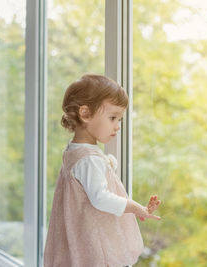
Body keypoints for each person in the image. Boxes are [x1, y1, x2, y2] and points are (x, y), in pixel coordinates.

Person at [43, 74, 162, 267]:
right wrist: (135, 207)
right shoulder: (90, 159)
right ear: (85, 114)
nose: (118, 126)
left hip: (78, 234)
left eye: (120, 119)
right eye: (113, 117)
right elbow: (100, 198)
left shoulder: (74, 151)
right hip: (94, 241)